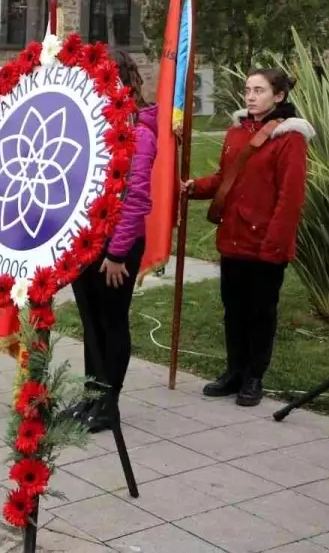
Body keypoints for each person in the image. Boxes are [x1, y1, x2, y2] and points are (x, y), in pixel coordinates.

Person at [185, 67, 312, 407]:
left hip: (265, 243)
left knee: (261, 312)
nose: (251, 96)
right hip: (234, 238)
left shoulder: (290, 139)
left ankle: (254, 376)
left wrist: (275, 244)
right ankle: (234, 372)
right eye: (248, 90)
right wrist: (194, 188)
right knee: (234, 309)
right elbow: (224, 178)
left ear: (279, 96)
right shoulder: (237, 133)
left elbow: (290, 198)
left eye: (259, 90)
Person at [67, 52, 157, 432]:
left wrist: (118, 252)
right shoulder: (88, 127)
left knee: (110, 321)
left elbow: (135, 198)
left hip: (115, 248)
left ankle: (108, 403)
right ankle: (91, 394)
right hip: (84, 244)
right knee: (90, 323)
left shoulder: (139, 133)